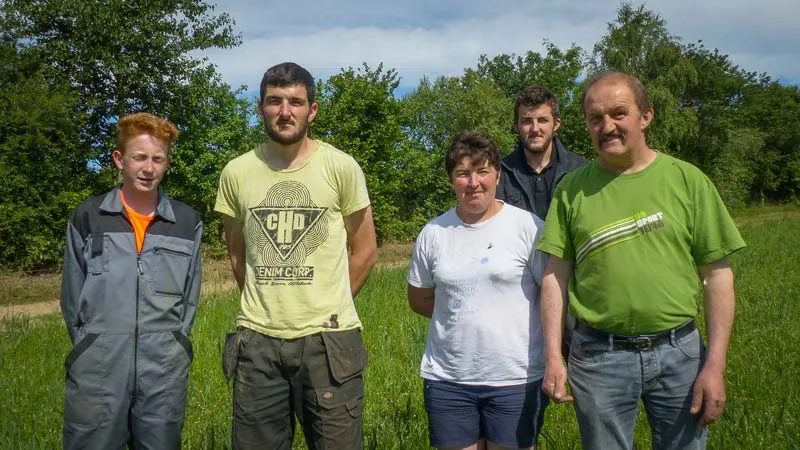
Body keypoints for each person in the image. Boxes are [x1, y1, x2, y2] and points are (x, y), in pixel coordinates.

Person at [537, 72, 746, 450]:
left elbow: (717, 277)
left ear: (645, 116)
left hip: (680, 354)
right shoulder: (571, 190)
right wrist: (553, 355)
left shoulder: (688, 181)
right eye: (596, 118)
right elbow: (555, 277)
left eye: (619, 113)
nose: (608, 126)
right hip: (599, 357)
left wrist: (715, 365)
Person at [214, 62, 378, 449]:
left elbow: (366, 250)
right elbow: (239, 256)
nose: (285, 111)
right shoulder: (236, 173)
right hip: (256, 342)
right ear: (260, 108)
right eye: (274, 101)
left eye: (295, 102)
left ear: (312, 110)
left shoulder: (341, 167)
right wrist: (269, 301)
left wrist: (329, 299)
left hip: (329, 341)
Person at [60, 113, 203, 449]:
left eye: (158, 159)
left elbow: (190, 299)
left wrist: (175, 345)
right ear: (119, 159)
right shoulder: (88, 216)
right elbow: (71, 296)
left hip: (163, 371)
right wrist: (89, 346)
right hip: (98, 369)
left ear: (167, 163)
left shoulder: (186, 221)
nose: (148, 168)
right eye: (139, 157)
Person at [408, 131, 550, 450]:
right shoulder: (433, 233)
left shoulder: (528, 227)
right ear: (451, 180)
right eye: (463, 173)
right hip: (449, 380)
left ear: (497, 175)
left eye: (482, 171)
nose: (473, 182)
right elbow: (419, 299)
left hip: (516, 378)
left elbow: (550, 295)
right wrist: (464, 309)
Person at [497, 85, 586, 220]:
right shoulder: (501, 173)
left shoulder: (580, 170)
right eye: (527, 121)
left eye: (542, 120)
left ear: (556, 124)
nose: (535, 129)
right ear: (516, 126)